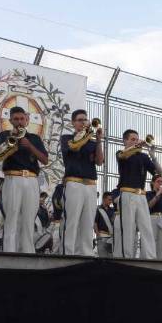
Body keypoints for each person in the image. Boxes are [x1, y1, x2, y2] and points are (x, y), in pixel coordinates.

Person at [0, 106, 48, 253]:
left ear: (27, 120)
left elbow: (45, 160)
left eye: (22, 119)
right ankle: (9, 253)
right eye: (16, 119)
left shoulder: (34, 138)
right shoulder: (4, 135)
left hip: (31, 179)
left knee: (29, 219)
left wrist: (29, 145)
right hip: (12, 178)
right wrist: (10, 143)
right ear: (10, 120)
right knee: (11, 218)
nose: (19, 122)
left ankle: (28, 253)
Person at [61, 109, 104, 256]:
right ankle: (68, 252)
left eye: (85, 120)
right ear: (73, 123)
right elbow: (74, 148)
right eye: (80, 120)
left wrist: (98, 141)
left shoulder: (92, 142)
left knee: (88, 221)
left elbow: (99, 161)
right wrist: (85, 136)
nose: (84, 122)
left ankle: (86, 252)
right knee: (72, 220)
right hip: (74, 182)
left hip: (90, 184)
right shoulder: (67, 138)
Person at [116, 129, 161, 259]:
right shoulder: (121, 153)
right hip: (127, 193)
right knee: (128, 228)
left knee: (146, 228)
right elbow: (123, 156)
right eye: (132, 139)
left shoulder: (143, 156)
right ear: (125, 141)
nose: (136, 141)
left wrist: (152, 155)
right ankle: (127, 257)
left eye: (137, 139)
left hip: (141, 195)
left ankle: (150, 258)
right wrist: (137, 146)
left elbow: (158, 172)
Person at [146, 174, 162, 260]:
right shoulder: (148, 194)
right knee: (151, 242)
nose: (160, 184)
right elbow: (149, 206)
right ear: (152, 183)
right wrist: (158, 193)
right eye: (158, 182)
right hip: (152, 218)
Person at [94, 191, 115, 258]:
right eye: (109, 199)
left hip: (111, 237)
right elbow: (95, 222)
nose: (111, 201)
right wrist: (97, 234)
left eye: (111, 200)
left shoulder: (112, 210)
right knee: (102, 257)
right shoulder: (98, 209)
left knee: (111, 258)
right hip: (101, 236)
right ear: (104, 199)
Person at [50, 182, 64, 254]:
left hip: (65, 222)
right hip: (59, 221)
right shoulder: (60, 188)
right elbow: (56, 203)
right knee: (56, 244)